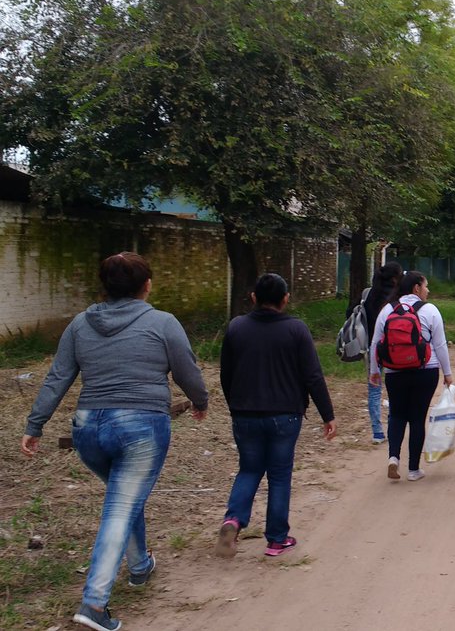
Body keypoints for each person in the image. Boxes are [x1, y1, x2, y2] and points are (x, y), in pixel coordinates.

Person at [20, 252, 209, 631]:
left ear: (104, 286)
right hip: (140, 426)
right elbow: (187, 369)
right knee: (121, 506)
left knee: (124, 497)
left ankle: (140, 566)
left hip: (88, 428)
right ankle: (93, 604)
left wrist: (35, 424)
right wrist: (201, 402)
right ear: (147, 285)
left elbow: (58, 377)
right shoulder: (163, 323)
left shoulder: (79, 325)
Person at [216, 273, 336, 560]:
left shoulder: (237, 328)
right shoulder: (296, 330)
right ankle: (276, 540)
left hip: (245, 413)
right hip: (285, 415)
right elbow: (313, 376)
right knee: (280, 475)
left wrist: (236, 405)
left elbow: (226, 375)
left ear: (254, 297)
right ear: (285, 299)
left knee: (249, 469)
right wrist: (327, 415)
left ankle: (233, 521)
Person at [368, 270, 453, 481]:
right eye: (425, 286)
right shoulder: (430, 310)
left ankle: (393, 458)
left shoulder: (388, 309)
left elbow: (375, 342)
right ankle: (414, 470)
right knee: (417, 417)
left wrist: (374, 371)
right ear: (416, 288)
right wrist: (448, 373)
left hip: (395, 371)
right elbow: (440, 345)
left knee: (396, 415)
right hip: (426, 371)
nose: (428, 290)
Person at [358, 262, 403, 444]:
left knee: (374, 390)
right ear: (395, 278)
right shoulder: (396, 298)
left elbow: (350, 313)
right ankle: (394, 426)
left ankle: (377, 432)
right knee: (394, 389)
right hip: (393, 349)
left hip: (371, 348)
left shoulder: (368, 294)